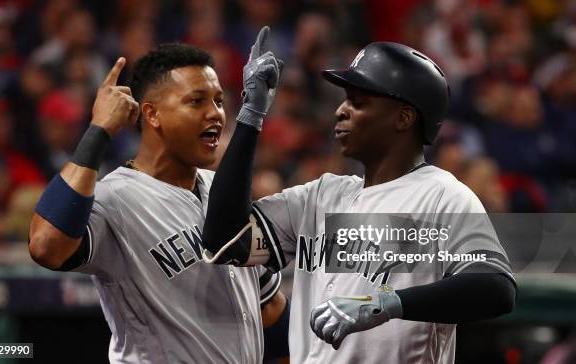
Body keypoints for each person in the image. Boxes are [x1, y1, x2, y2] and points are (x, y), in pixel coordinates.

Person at [201, 28, 517, 364]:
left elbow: (496, 288)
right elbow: (225, 242)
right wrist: (251, 115)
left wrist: (387, 302)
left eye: (358, 102)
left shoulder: (442, 194)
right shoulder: (319, 195)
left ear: (404, 117)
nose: (341, 111)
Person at [28, 42, 288, 363]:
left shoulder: (224, 191)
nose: (216, 113)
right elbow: (45, 246)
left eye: (219, 101)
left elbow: (269, 303)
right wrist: (99, 130)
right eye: (196, 101)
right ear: (152, 114)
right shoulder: (116, 198)